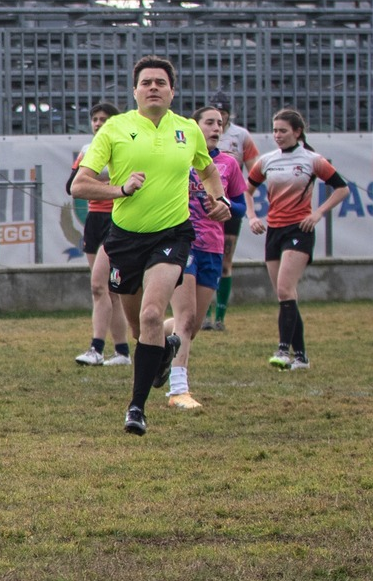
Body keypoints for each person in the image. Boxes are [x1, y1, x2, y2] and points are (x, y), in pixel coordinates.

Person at [70, 55, 228, 435]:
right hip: (124, 238)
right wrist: (119, 189)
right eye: (146, 82)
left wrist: (217, 199)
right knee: (143, 330)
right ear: (135, 90)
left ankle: (136, 409)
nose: (153, 87)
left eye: (161, 82)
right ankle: (164, 348)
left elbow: (207, 169)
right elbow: (79, 184)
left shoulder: (187, 130)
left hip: (172, 234)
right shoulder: (114, 129)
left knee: (153, 315)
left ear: (172, 91)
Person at [247, 107, 350, 370]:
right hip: (274, 231)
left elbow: (342, 188)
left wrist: (317, 214)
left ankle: (283, 351)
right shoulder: (267, 160)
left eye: (283, 131)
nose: (277, 135)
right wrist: (252, 217)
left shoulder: (312, 160)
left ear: (297, 132)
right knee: (286, 295)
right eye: (275, 130)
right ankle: (301, 357)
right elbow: (246, 190)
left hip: (299, 231)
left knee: (284, 289)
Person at [163, 106, 248, 410]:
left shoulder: (228, 164)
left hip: (213, 246)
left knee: (192, 325)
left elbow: (240, 205)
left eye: (220, 124)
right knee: (185, 319)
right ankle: (178, 390)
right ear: (195, 127)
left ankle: (156, 335)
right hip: (182, 243)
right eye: (209, 123)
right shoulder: (180, 156)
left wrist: (226, 208)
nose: (216, 128)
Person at [70, 101, 133, 367]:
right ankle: (121, 351)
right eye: (95, 119)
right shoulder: (88, 150)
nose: (98, 123)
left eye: (104, 119)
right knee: (106, 290)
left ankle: (97, 349)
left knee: (102, 286)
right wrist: (109, 185)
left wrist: (103, 186)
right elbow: (71, 185)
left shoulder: (125, 146)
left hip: (116, 218)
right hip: (94, 220)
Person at [203, 95, 261, 331]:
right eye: (215, 112)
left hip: (228, 205)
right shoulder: (198, 132)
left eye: (223, 112)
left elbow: (255, 169)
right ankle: (203, 315)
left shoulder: (241, 136)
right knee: (203, 258)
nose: (219, 117)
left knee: (225, 261)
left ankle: (220, 317)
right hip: (203, 205)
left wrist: (242, 194)